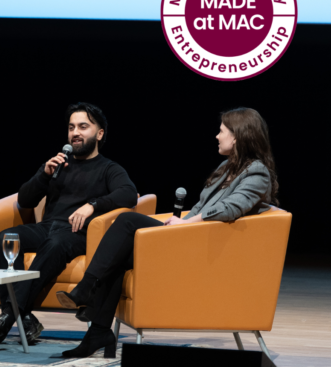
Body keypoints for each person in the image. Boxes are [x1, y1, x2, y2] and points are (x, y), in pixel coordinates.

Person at [56, 107, 279, 358]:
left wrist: (186, 224)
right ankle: (98, 332)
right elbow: (202, 206)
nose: (217, 136)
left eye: (222, 131)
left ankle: (87, 288)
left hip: (208, 250)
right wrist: (180, 221)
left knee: (128, 219)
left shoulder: (257, 172)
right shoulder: (229, 166)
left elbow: (230, 209)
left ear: (238, 136)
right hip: (194, 237)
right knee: (118, 255)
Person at [0, 103, 138, 345]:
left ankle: (8, 315)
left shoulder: (109, 168)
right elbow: (25, 200)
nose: (75, 132)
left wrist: (93, 205)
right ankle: (18, 314)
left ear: (99, 134)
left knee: (55, 244)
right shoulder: (57, 164)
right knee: (5, 239)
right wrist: (43, 174)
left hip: (78, 233)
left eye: (83, 127)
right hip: (47, 227)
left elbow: (129, 194)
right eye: (71, 127)